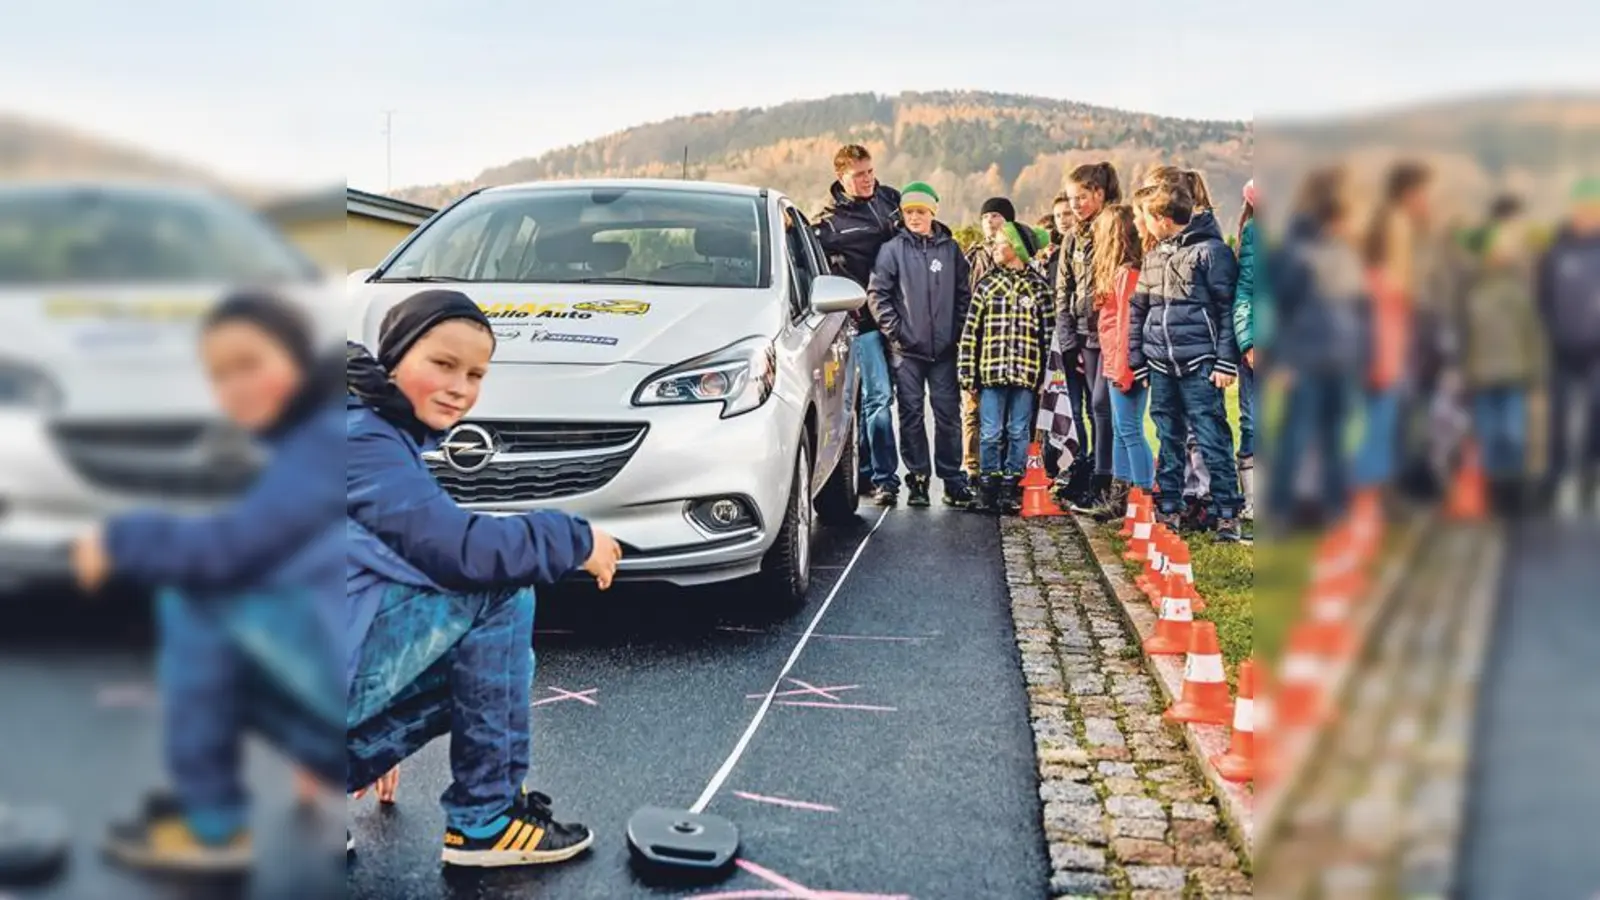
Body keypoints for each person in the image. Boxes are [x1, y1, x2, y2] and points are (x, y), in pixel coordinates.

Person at [66, 293, 347, 872]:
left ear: (296, 360)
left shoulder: (326, 438)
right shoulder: (322, 433)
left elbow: (228, 552)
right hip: (359, 696)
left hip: (354, 705)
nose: (235, 388)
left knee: (195, 594)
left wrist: (121, 538)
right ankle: (309, 755)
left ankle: (212, 825)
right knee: (240, 603)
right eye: (220, 375)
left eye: (250, 364)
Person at [344, 289, 623, 868]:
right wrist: (574, 538)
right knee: (498, 591)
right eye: (442, 364)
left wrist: (367, 734)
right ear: (392, 360)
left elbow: (393, 569)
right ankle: (486, 821)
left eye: (476, 373)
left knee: (485, 670)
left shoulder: (363, 432)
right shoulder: (359, 439)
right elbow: (458, 553)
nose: (460, 387)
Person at [1127, 178, 1246, 541]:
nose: (1143, 225)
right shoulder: (1154, 257)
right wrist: (1139, 360)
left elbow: (1227, 310)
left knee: (1212, 437)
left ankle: (1227, 512)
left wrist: (1226, 362)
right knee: (1169, 436)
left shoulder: (1212, 253)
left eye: (1146, 217)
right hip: (1161, 364)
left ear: (1162, 217)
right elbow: (1139, 311)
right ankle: (1170, 509)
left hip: (1201, 364)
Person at [1267, 167, 1368, 527]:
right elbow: (1284, 309)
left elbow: (1358, 309)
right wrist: (1284, 361)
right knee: (1296, 435)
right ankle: (1280, 510)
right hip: (1306, 359)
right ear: (1335, 219)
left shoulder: (1348, 254)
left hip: (1342, 358)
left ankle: (1335, 508)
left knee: (1336, 437)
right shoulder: (1298, 255)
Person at [867, 181, 975, 508]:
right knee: (911, 414)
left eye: (921, 211)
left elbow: (963, 295)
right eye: (909, 211)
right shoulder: (892, 250)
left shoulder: (951, 250)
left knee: (947, 415)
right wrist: (897, 333)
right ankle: (918, 478)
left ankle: (952, 478)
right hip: (906, 351)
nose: (915, 217)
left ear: (933, 212)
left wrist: (956, 332)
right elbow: (878, 295)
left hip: (944, 351)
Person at [815, 144, 903, 506]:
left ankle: (867, 471)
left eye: (870, 172)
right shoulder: (828, 223)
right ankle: (884, 479)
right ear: (841, 177)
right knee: (876, 397)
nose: (867, 180)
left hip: (899, 319)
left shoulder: (891, 201)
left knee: (893, 399)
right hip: (862, 322)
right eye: (859, 175)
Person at [1446, 195, 1543, 515]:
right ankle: (1492, 493)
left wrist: (1536, 369)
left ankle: (1514, 492)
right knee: (1488, 435)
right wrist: (1460, 368)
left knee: (1513, 435)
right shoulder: (1471, 288)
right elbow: (1462, 332)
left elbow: (1531, 330)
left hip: (1514, 370)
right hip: (1481, 373)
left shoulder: (1518, 286)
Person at [959, 221, 1053, 513]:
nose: (994, 248)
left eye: (1000, 243)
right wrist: (967, 372)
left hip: (1025, 375)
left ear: (1016, 250)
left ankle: (1011, 486)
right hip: (991, 373)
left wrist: (1046, 378)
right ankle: (988, 486)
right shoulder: (987, 284)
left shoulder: (1039, 289)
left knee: (1018, 430)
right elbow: (970, 332)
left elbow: (1048, 336)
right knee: (989, 430)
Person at [1356, 161, 1433, 507]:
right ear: (1409, 192)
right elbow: (1402, 285)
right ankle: (1373, 495)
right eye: (1423, 193)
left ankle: (1378, 490)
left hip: (1388, 341)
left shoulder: (1391, 225)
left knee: (1386, 418)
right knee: (1383, 418)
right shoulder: (1396, 225)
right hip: (1386, 344)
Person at [1055, 163, 1122, 513]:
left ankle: (1105, 477)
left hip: (1107, 333)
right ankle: (1093, 469)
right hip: (1081, 334)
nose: (1076, 205)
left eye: (1081, 197)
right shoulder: (1072, 237)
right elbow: (1063, 289)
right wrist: (1068, 342)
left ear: (1098, 193)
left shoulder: (1113, 227)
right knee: (1087, 407)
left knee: (1102, 405)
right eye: (1071, 198)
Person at [1536, 175, 1600, 512]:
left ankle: (1591, 471)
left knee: (1597, 411)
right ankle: (1555, 477)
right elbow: (1542, 299)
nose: (1586, 216)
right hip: (1562, 346)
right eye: (1581, 210)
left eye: (1592, 210)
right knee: (1558, 417)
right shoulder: (1555, 252)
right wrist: (1553, 330)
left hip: (1597, 348)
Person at [1086, 203, 1153, 522]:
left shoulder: (1128, 273)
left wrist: (1125, 369)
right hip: (1113, 361)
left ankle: (1142, 500)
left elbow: (1127, 324)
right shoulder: (1117, 271)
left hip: (1123, 363)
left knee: (1130, 430)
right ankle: (1120, 499)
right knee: (1121, 429)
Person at [1234, 179, 1259, 520]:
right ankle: (1254, 500)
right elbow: (1245, 293)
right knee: (1253, 419)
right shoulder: (1255, 233)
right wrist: (1249, 342)